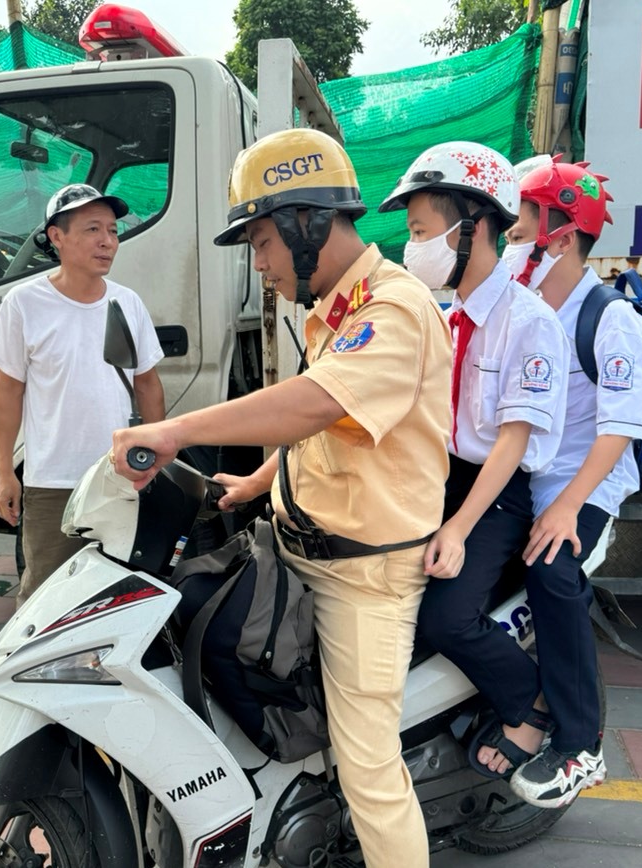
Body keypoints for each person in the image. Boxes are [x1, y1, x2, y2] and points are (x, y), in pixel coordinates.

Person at [111, 127, 450, 868]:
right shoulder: (334, 305)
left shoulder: (394, 308)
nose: (259, 263)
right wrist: (258, 483)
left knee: (369, 771)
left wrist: (171, 429)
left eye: (262, 241)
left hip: (362, 578)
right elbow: (330, 427)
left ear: (308, 224)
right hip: (297, 547)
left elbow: (313, 404)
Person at [377, 142, 570, 778]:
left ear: (475, 225)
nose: (413, 247)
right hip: (443, 473)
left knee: (448, 618)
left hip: (498, 489)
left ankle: (528, 703)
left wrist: (458, 527)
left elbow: (512, 439)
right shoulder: (446, 312)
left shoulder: (528, 321)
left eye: (421, 230)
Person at [501, 157, 642, 808]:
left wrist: (568, 508)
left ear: (562, 237)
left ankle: (579, 746)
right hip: (531, 470)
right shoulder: (525, 300)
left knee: (551, 571)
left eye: (521, 229)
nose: (513, 241)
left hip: (583, 480)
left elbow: (620, 427)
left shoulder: (608, 317)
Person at [0, 183, 165, 608]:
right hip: (52, 483)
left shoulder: (128, 303)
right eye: (92, 229)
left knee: (118, 593)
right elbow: (7, 393)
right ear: (57, 237)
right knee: (45, 597)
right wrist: (3, 472)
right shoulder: (24, 303)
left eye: (112, 230)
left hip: (119, 476)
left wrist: (159, 457)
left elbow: (148, 384)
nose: (108, 241)